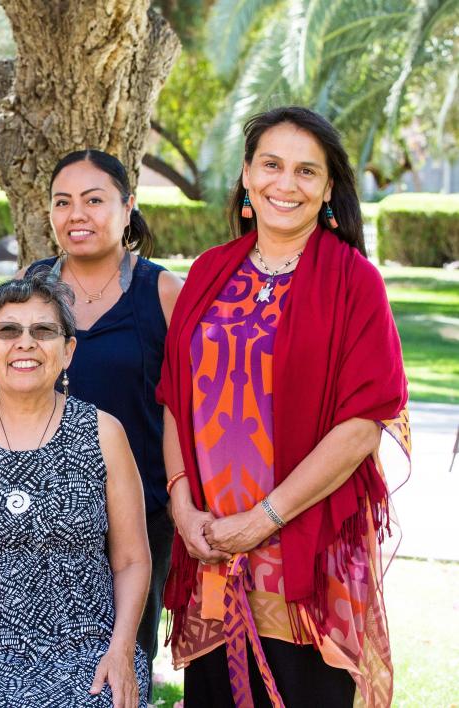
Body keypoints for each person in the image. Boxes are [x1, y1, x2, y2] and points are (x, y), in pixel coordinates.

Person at [159, 106, 409, 707]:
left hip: (306, 553)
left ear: (327, 189)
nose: (285, 184)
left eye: (306, 171)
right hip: (212, 546)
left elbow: (362, 426)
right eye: (271, 165)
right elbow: (175, 395)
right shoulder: (210, 272)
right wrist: (182, 506)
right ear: (247, 174)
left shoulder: (354, 281)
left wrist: (263, 520)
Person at [0, 275, 151, 708]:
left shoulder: (103, 433)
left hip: (89, 648)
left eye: (43, 331)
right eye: (8, 331)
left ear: (68, 350)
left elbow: (133, 560)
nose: (25, 343)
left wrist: (120, 650)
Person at [23, 149, 183, 681]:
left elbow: (183, 408)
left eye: (95, 201)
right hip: (41, 514)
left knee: (120, 668)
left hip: (139, 519)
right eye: (63, 202)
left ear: (127, 206)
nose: (77, 215)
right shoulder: (33, 286)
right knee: (38, 662)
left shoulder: (161, 292)